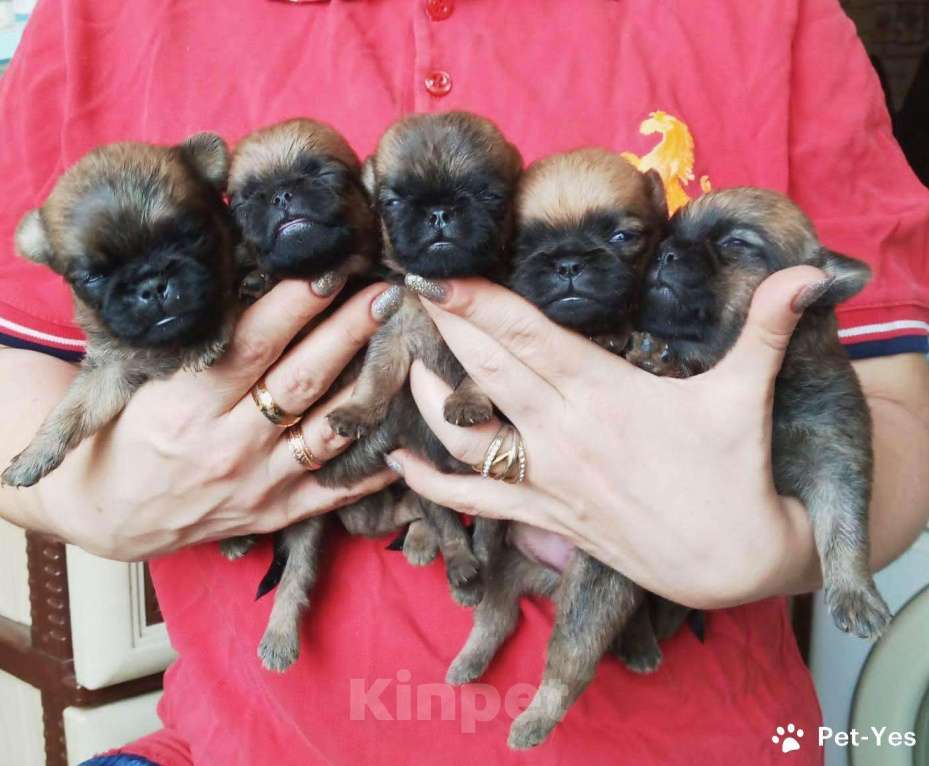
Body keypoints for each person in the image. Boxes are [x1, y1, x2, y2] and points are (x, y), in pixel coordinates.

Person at [1, 1, 927, 764]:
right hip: (251, 739)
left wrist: (780, 548)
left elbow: (892, 393)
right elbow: (18, 367)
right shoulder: (98, 16)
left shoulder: (770, 15)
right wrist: (90, 502)